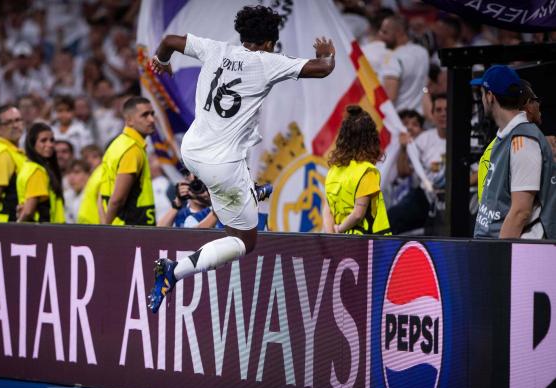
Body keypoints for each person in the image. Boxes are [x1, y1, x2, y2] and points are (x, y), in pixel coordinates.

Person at [147, 5, 335, 313]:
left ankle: (247, 192)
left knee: (238, 170)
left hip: (192, 151)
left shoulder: (215, 48)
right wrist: (328, 53)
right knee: (244, 241)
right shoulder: (266, 61)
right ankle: (174, 271)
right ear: (267, 43)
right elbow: (323, 67)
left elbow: (168, 40)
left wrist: (161, 61)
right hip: (222, 168)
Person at [472, 65, 554, 239]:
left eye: (481, 93)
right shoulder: (506, 137)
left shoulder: (523, 141)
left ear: (490, 96)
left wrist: (500, 256)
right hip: (490, 246)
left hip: (517, 255)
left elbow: (520, 212)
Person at [322, 106, 390, 235]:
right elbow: (358, 214)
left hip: (338, 244)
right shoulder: (367, 171)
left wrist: (332, 235)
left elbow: (327, 209)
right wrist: (340, 229)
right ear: (371, 138)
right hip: (367, 245)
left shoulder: (333, 171)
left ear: (343, 137)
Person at [387, 94, 447, 234]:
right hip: (424, 197)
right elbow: (404, 172)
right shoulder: (423, 139)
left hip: (457, 197)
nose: (443, 113)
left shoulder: (466, 139)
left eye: (447, 109)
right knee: (390, 219)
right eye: (438, 110)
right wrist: (403, 148)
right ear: (431, 114)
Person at [477, 80, 542, 202]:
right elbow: (520, 211)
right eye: (537, 100)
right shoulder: (526, 146)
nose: (539, 105)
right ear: (529, 105)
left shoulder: (493, 149)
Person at [99, 96, 156, 226]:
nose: (152, 119)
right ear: (129, 120)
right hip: (131, 230)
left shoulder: (117, 144)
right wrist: (105, 229)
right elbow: (118, 199)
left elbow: (101, 193)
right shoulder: (132, 150)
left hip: (118, 226)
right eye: (145, 115)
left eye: (152, 114)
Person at [378, 14, 430, 114]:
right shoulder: (423, 52)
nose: (380, 36)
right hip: (419, 119)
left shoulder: (393, 58)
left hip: (399, 119)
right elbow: (424, 88)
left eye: (385, 32)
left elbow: (389, 98)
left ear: (398, 33)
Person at [0, 105, 26, 222]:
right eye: (8, 122)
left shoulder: (13, 151)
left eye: (18, 120)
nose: (15, 125)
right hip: (6, 223)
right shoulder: (3, 154)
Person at [16, 122, 65, 223]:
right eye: (43, 140)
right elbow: (29, 211)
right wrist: (16, 227)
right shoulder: (37, 172)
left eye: (52, 140)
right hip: (44, 231)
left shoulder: (28, 166)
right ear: (32, 144)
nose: (50, 144)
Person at [64, 159, 90, 223]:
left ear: (88, 175)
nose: (71, 177)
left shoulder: (95, 196)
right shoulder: (66, 196)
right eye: (69, 173)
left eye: (76, 172)